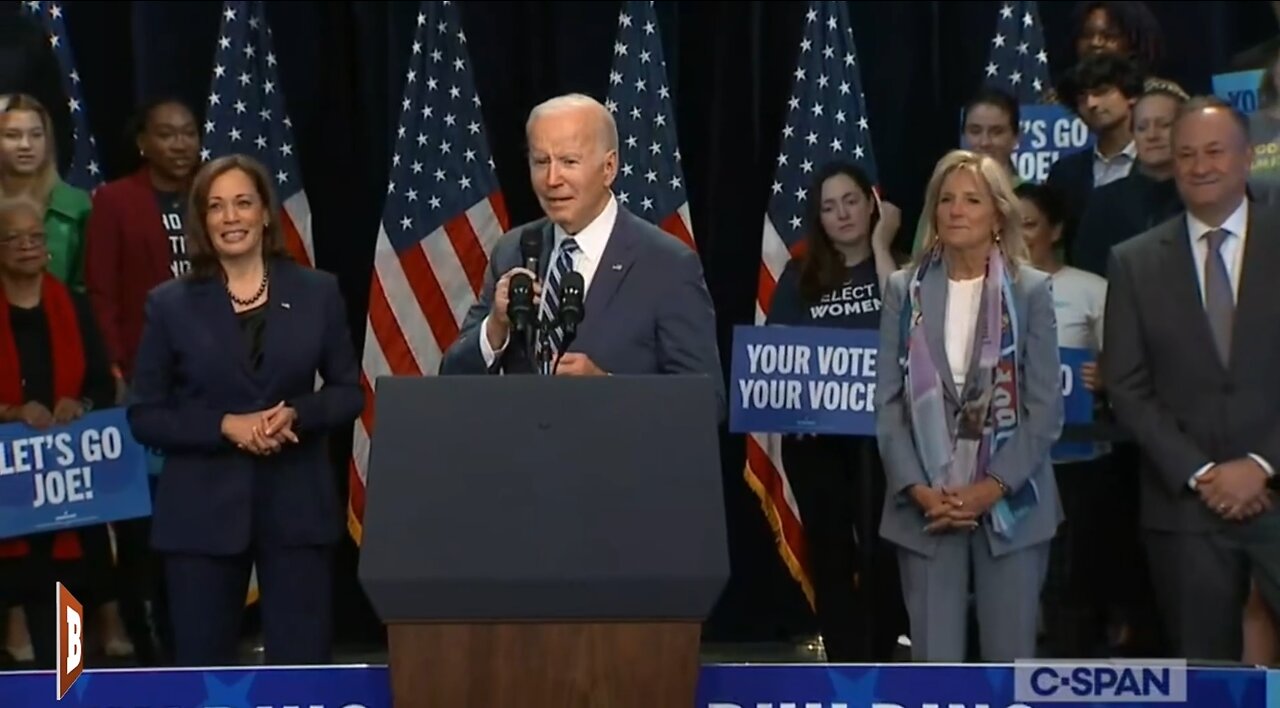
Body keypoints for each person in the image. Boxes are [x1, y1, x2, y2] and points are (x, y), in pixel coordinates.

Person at [125, 154, 363, 666]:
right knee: (202, 672)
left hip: (295, 507)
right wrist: (223, 426)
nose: (230, 217)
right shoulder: (169, 305)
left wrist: (298, 413)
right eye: (216, 207)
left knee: (301, 671)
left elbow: (348, 392)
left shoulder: (316, 292)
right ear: (202, 220)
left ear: (265, 214)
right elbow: (145, 414)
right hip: (202, 514)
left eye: (242, 203)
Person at [1103, 95, 1280, 661]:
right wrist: (1203, 473)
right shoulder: (1133, 261)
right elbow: (1127, 386)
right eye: (1186, 155)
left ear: (1248, 156)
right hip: (1185, 511)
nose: (1200, 166)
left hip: (1278, 491)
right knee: (1207, 678)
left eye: (1214, 151)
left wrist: (1260, 466)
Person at [876, 149, 1064, 662]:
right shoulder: (904, 289)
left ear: (998, 215)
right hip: (926, 508)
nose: (956, 210)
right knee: (935, 669)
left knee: (1009, 665)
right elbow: (889, 405)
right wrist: (918, 488)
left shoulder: (1030, 292)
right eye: (946, 200)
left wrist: (989, 488)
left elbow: (1045, 409)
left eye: (972, 200)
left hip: (1012, 504)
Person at [438, 93, 724, 413]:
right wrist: (495, 327)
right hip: (521, 459)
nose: (552, 180)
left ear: (609, 167)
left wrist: (608, 389)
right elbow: (453, 378)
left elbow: (706, 403)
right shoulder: (514, 249)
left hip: (616, 459)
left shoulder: (667, 264)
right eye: (541, 162)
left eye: (569, 162)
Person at [765, 160, 905, 661]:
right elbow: (776, 352)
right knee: (831, 551)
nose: (842, 214)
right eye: (828, 207)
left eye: (851, 200)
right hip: (816, 438)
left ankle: (883, 654)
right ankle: (845, 663)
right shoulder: (801, 274)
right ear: (817, 219)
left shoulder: (902, 266)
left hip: (886, 439)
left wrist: (883, 247)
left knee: (882, 549)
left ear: (872, 203)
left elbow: (907, 322)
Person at [83, 96, 201, 664]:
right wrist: (114, 368)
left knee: (200, 521)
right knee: (143, 527)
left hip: (206, 388)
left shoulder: (215, 195)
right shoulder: (114, 202)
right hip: (141, 388)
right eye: (167, 134)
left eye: (188, 133)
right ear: (143, 142)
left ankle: (196, 639)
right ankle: (148, 641)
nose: (180, 144)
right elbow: (101, 293)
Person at [0, 195, 116, 669]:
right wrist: (8, 411)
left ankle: (72, 684)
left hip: (68, 486)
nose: (28, 247)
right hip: (8, 491)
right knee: (18, 594)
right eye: (14, 239)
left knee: (71, 587)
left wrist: (80, 404)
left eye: (36, 238)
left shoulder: (74, 305)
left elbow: (103, 386)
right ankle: (16, 653)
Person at [1014, 182, 1114, 657]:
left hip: (1076, 459)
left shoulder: (1092, 289)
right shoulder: (985, 287)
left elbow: (1127, 366)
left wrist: (1106, 375)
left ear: (1055, 230)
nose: (1017, 233)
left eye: (1029, 223)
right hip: (1004, 464)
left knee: (1069, 579)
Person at [1073, 86, 1186, 277]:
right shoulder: (1104, 202)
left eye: (1164, 125)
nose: (1152, 135)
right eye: (1142, 127)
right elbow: (1088, 272)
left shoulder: (1200, 196)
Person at [911, 88, 1023, 258]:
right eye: (975, 131)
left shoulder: (1029, 196)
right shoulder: (942, 193)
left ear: (1016, 138)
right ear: (962, 135)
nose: (984, 142)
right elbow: (920, 260)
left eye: (996, 132)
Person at [0, 94, 91, 292]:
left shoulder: (78, 206)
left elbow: (86, 286)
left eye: (36, 134)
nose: (26, 145)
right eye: (12, 135)